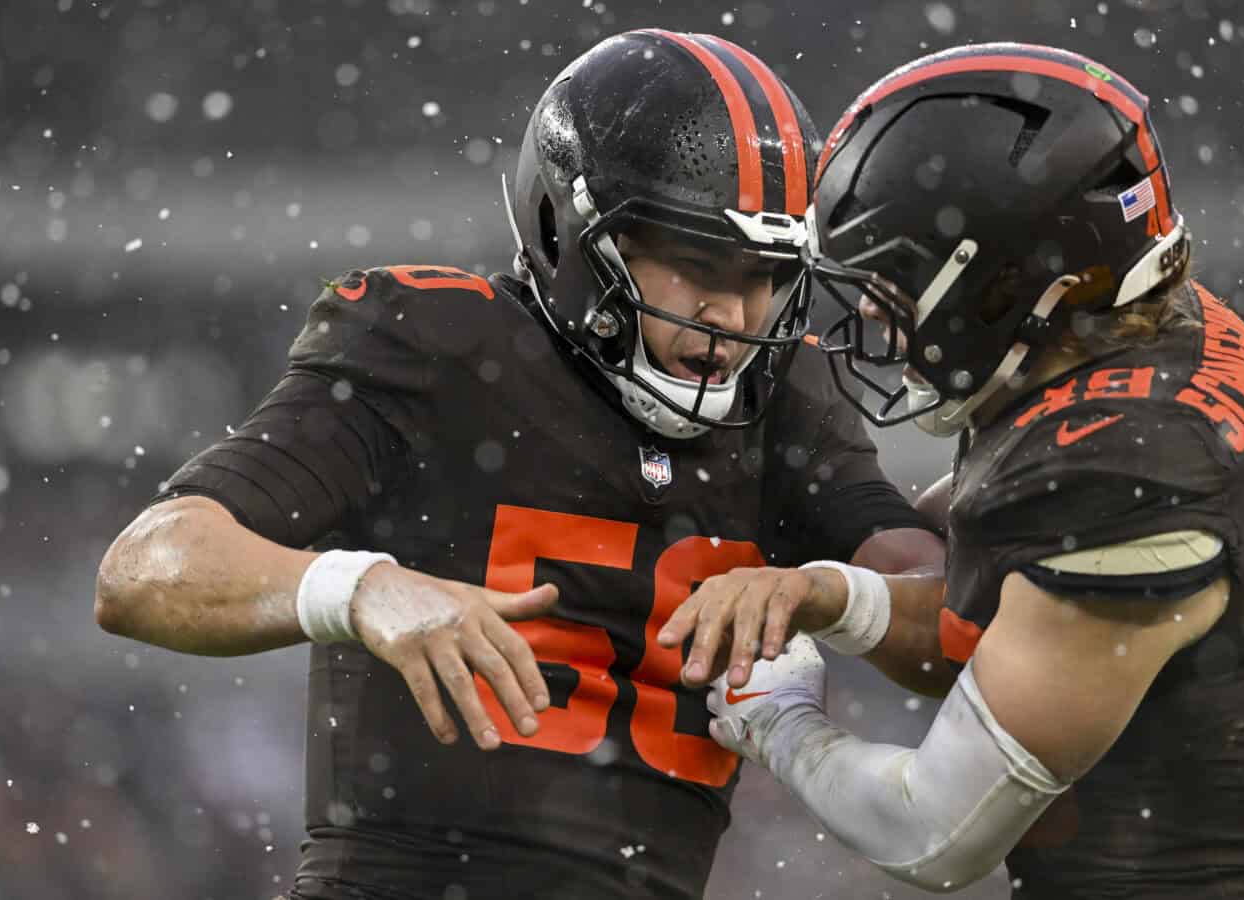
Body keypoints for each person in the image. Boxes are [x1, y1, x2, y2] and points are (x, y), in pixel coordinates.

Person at [93, 29, 943, 900]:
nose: (731, 313)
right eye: (696, 265)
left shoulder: (781, 396)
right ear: (567, 232)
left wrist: (830, 595)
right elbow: (145, 569)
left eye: (764, 274)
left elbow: (949, 618)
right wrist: (363, 591)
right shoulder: (439, 347)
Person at [660, 43, 1244, 897]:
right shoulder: (1110, 326)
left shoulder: (1125, 475)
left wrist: (779, 720)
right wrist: (828, 595)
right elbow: (1000, 605)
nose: (868, 311)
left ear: (1008, 283)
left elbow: (932, 833)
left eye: (894, 277)